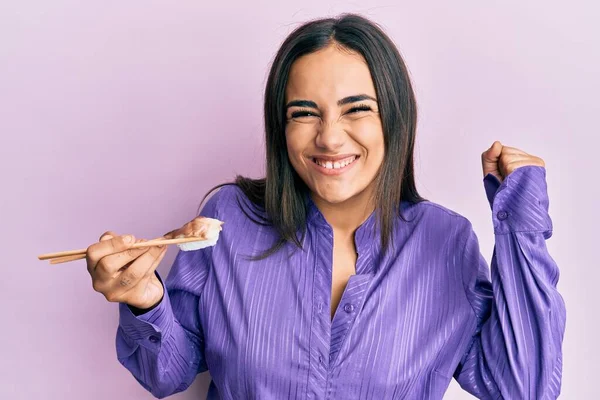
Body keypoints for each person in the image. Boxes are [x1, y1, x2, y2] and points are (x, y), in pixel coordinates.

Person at [86, 13, 566, 400]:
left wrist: (519, 226)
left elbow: (522, 389)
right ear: (281, 127)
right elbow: (167, 373)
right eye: (304, 113)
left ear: (394, 120)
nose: (330, 137)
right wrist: (143, 297)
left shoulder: (446, 241)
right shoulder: (227, 219)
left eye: (357, 108)